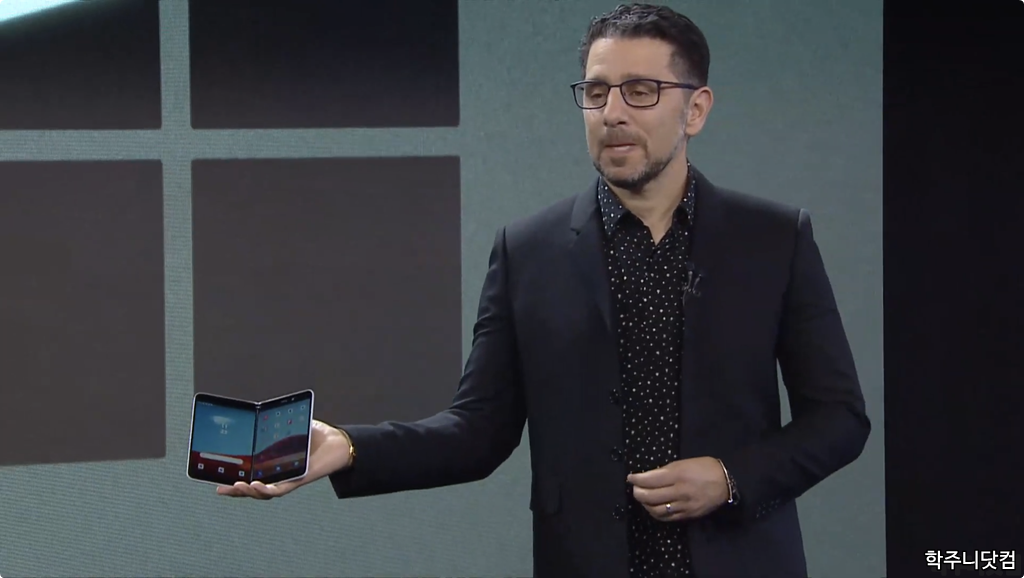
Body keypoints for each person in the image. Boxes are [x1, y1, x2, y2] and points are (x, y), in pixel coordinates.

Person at [218, 3, 871, 577]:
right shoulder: (527, 252)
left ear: (695, 109)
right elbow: (477, 431)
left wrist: (730, 478)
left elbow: (839, 420)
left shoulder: (773, 240)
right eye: (597, 91)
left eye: (641, 91)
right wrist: (348, 447)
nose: (612, 113)